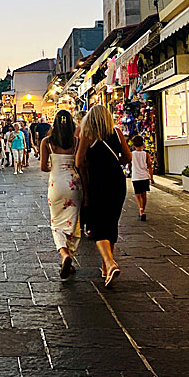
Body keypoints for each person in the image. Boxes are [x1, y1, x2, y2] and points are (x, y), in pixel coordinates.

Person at [76, 104, 131, 287]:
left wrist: (88, 174)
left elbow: (79, 161)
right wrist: (114, 163)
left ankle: (110, 263)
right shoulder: (116, 132)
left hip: (97, 182)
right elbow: (127, 157)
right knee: (111, 222)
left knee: (98, 225)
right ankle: (105, 267)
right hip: (117, 181)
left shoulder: (87, 135)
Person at [40, 111, 83, 280]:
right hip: (74, 184)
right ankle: (70, 254)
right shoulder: (76, 141)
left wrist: (56, 168)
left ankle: (64, 254)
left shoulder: (47, 142)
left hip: (56, 185)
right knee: (73, 222)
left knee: (56, 222)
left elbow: (44, 167)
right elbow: (80, 164)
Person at [130, 135, 154, 221]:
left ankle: (140, 210)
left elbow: (129, 165)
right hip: (144, 176)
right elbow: (150, 166)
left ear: (133, 145)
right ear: (143, 144)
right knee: (144, 195)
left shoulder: (131, 154)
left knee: (138, 195)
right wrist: (151, 178)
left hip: (136, 177)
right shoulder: (146, 154)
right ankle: (143, 210)